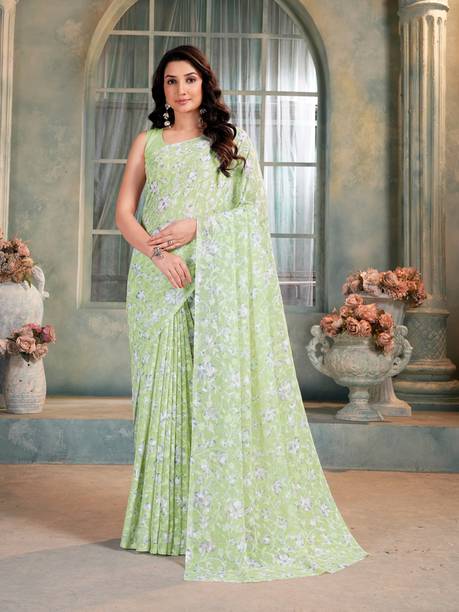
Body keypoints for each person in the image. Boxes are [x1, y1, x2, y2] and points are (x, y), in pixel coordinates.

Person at [115, 44, 369, 582]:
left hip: (214, 284)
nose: (180, 89)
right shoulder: (148, 141)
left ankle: (211, 521)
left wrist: (197, 228)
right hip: (157, 283)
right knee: (163, 400)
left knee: (211, 399)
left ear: (205, 84)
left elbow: (252, 216)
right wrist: (158, 255)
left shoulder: (230, 144)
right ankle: (163, 527)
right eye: (170, 81)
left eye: (189, 79)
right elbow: (124, 214)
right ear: (161, 90)